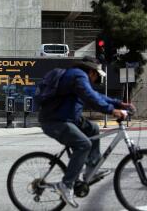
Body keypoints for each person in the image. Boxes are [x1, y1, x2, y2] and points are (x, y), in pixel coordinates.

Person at [40, 56, 134, 208]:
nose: (96, 79)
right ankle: (66, 185)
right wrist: (113, 110)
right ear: (91, 71)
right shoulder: (77, 76)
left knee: (93, 128)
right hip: (55, 121)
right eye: (97, 75)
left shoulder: (77, 77)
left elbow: (96, 96)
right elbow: (91, 98)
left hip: (69, 119)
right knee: (84, 144)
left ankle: (91, 167)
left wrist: (118, 103)